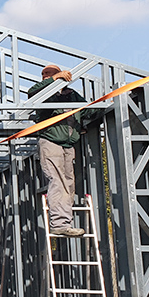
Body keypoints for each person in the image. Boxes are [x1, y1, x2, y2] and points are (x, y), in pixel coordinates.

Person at [28, 64, 97, 237]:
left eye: (49, 74)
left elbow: (88, 110)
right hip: (50, 142)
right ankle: (59, 223)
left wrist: (109, 103)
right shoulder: (45, 95)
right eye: (43, 75)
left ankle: (65, 222)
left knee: (68, 183)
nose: (45, 77)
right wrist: (54, 79)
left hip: (68, 145)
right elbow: (32, 92)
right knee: (57, 181)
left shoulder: (72, 95)